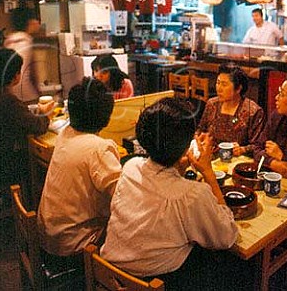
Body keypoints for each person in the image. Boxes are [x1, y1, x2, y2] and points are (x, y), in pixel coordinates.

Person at [101, 98, 239, 290]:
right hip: (156, 282)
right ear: (185, 145)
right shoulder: (191, 194)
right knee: (227, 263)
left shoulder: (130, 167)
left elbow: (162, 186)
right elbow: (227, 236)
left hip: (109, 273)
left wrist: (178, 165)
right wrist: (208, 172)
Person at [37, 77, 122, 257]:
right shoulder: (99, 148)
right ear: (107, 117)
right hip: (73, 244)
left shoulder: (65, 134)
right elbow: (122, 198)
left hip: (49, 236)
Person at [0, 48, 54, 196]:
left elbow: (17, 115)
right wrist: (45, 114)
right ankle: (29, 201)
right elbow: (38, 126)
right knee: (33, 159)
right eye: (19, 71)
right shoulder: (5, 100)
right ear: (14, 75)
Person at [197, 63, 264, 156]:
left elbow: (259, 145)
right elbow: (201, 129)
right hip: (210, 157)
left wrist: (242, 149)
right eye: (218, 83)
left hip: (238, 161)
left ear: (238, 89)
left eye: (224, 85)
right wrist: (199, 138)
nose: (219, 88)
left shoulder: (252, 111)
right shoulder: (212, 104)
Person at [4, 7, 41, 103]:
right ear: (30, 22)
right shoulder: (27, 41)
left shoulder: (8, 41)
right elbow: (33, 72)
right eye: (36, 19)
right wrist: (39, 92)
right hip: (27, 93)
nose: (38, 23)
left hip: (10, 93)